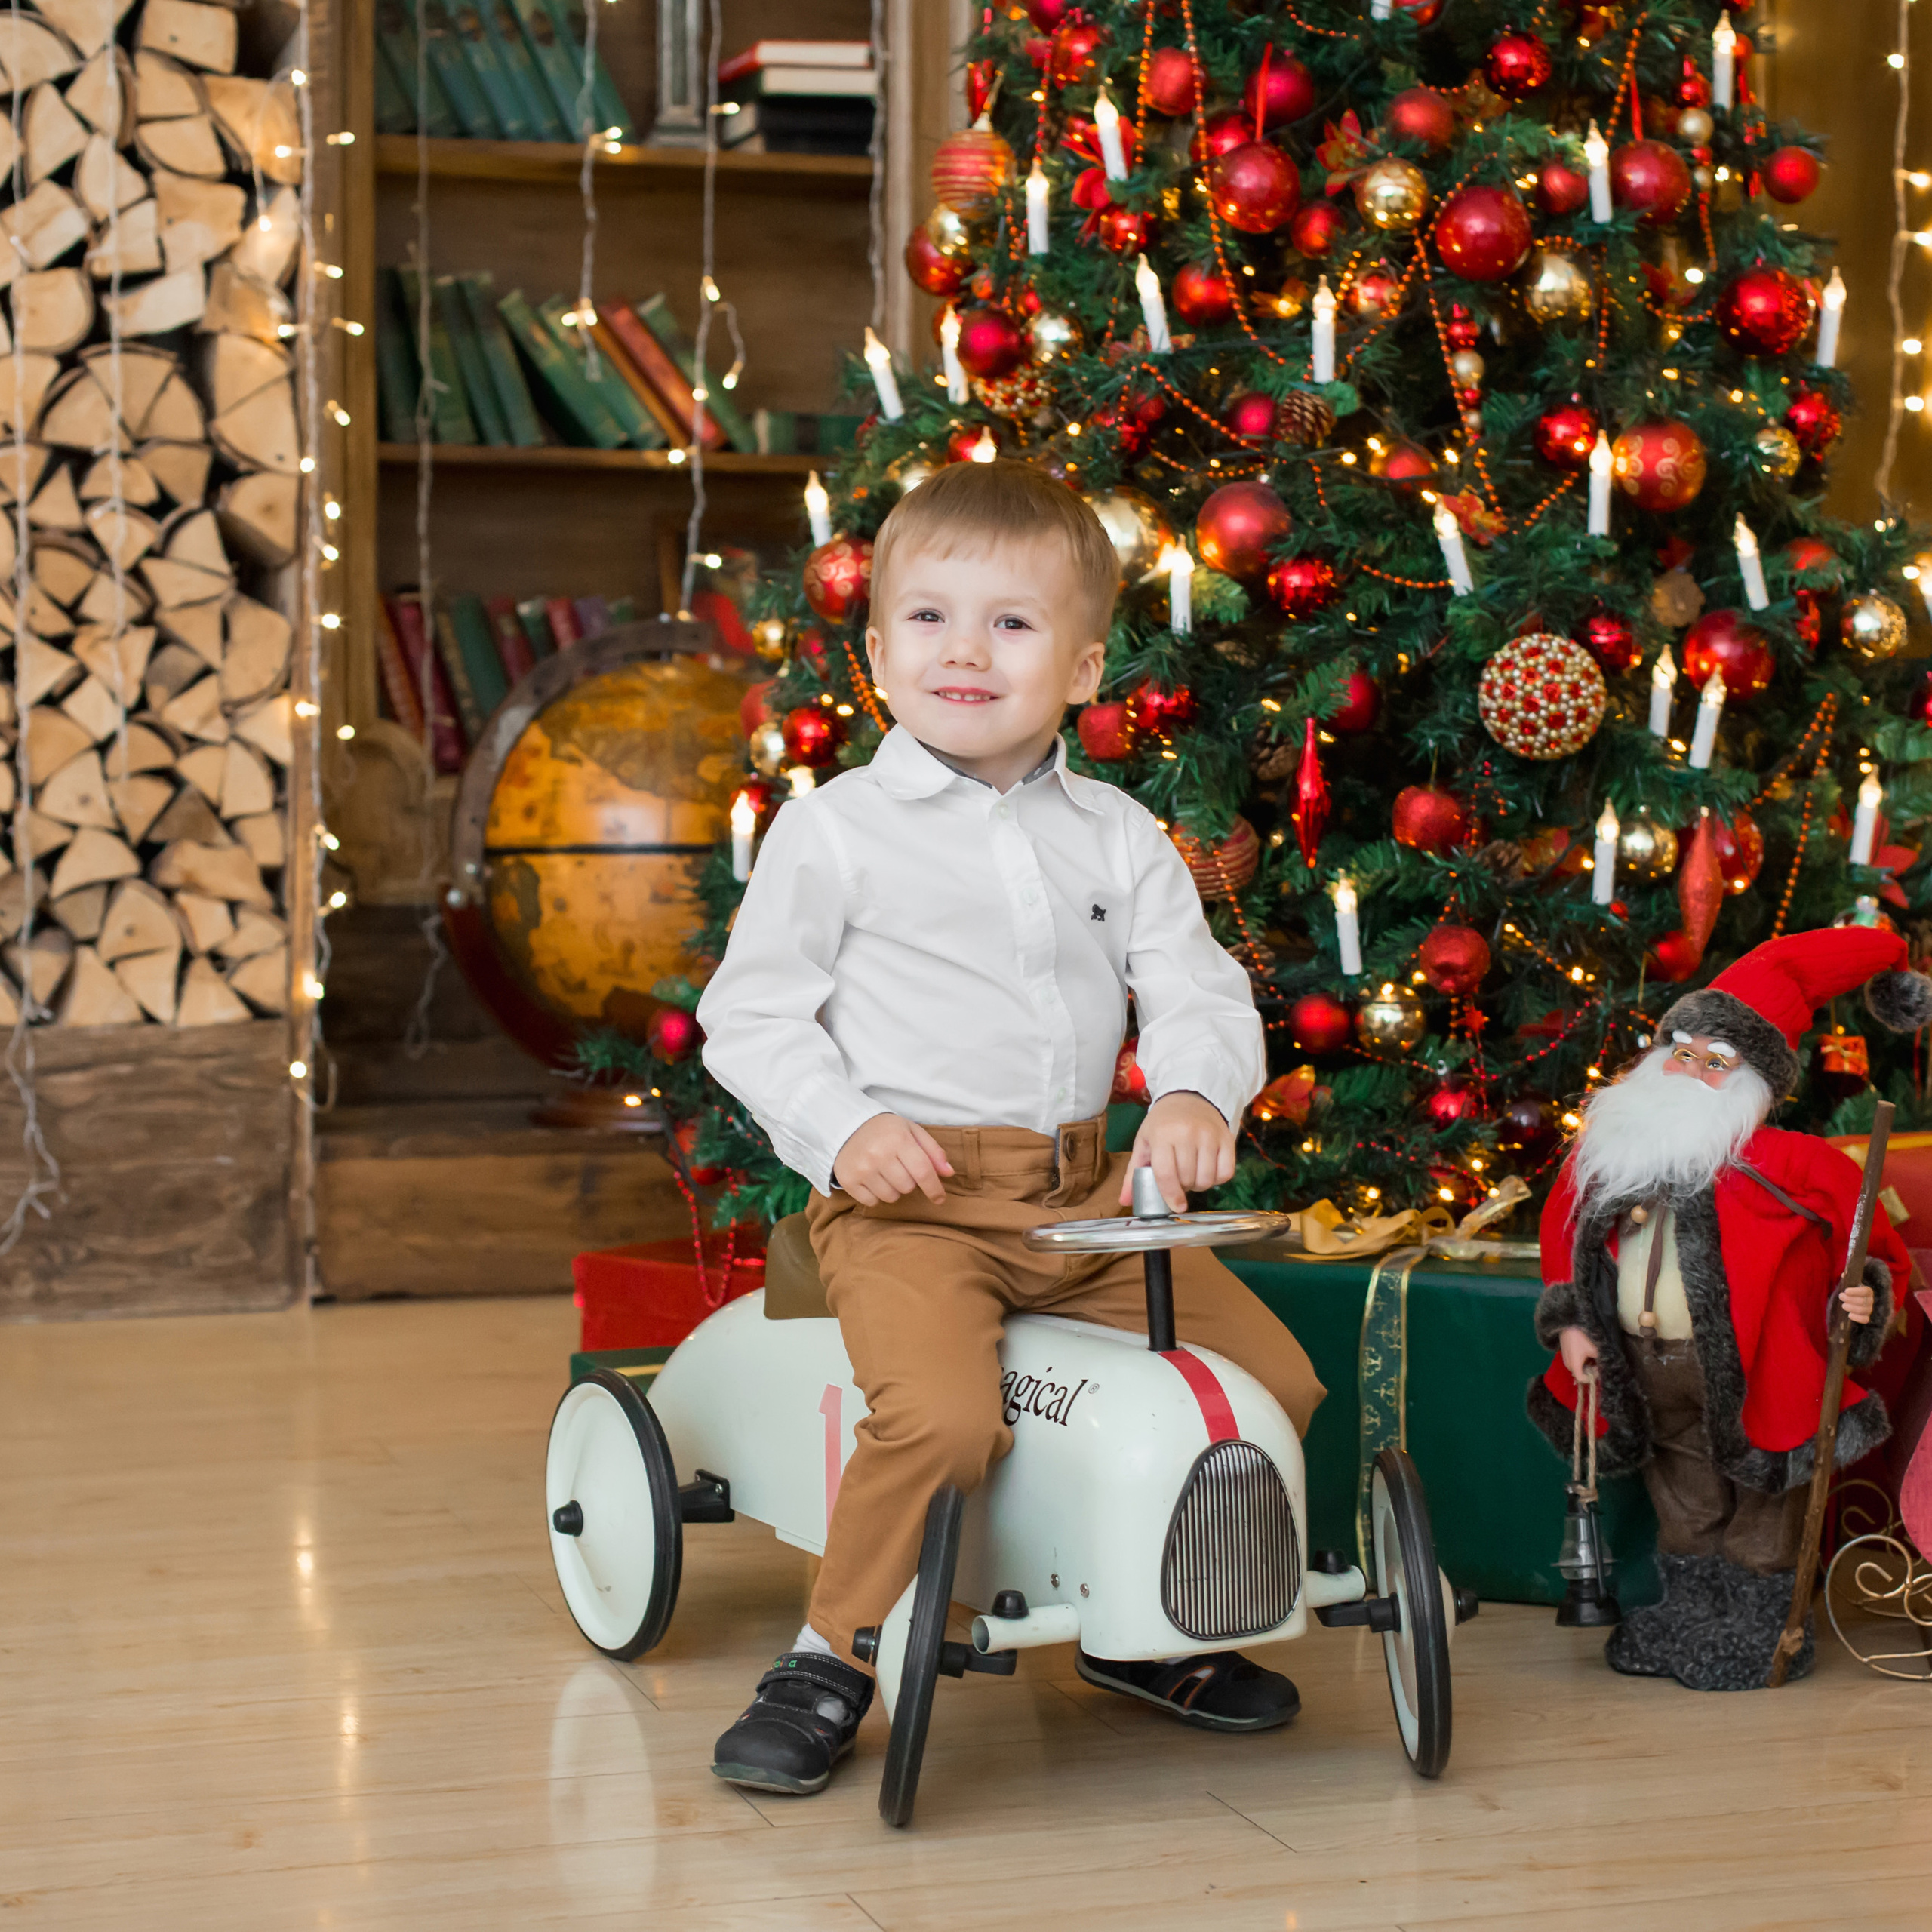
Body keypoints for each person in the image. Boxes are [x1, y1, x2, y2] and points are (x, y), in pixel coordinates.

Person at [694, 460, 1325, 1794]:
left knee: (1271, 1382)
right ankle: (829, 1655)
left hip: (1088, 1203)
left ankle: (1146, 1627)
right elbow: (749, 1019)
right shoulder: (835, 833)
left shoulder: (1119, 834)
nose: (966, 653)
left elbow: (1197, 987)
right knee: (940, 1420)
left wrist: (1196, 1092)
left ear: (1084, 669)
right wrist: (844, 1128)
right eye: (929, 619)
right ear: (878, 655)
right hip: (913, 1205)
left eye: (1013, 625)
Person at [1527, 926, 1927, 1689]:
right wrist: (1573, 1323)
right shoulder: (1614, 1151)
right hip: (1647, 1368)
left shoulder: (1798, 1163)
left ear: (1757, 1082)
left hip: (1761, 1371)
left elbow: (1872, 1247)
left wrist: (1863, 1296)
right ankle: (1690, 1611)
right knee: (1683, 1491)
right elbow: (1565, 1231)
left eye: (1718, 1062)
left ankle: (1762, 1623)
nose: (1691, 1071)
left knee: (1764, 1494)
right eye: (1682, 1052)